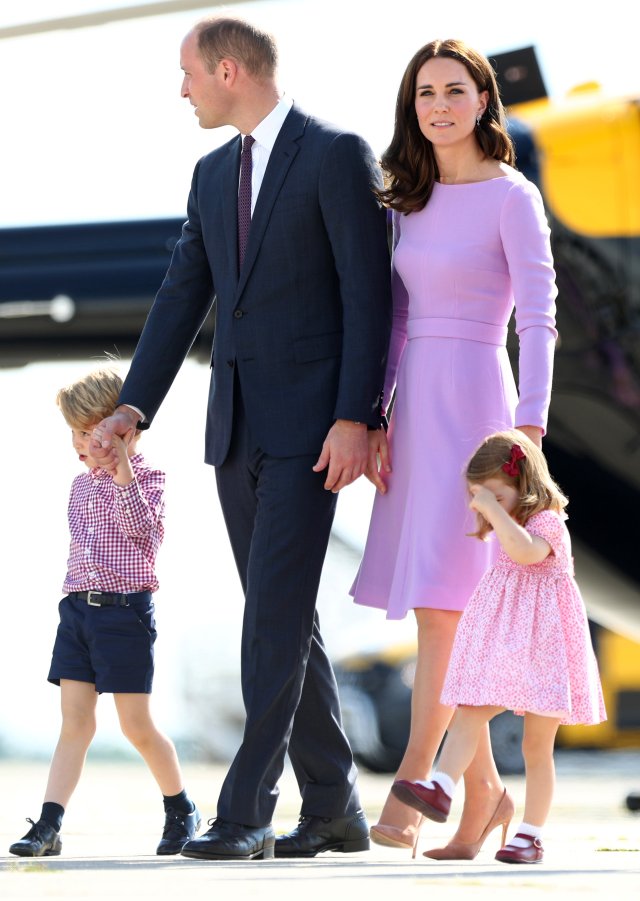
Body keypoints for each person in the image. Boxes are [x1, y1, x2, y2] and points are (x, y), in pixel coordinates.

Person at [89, 17, 391, 861]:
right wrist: (132, 407)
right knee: (286, 617)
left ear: (228, 70)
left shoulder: (336, 153)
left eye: (187, 73)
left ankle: (247, 810)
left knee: (273, 619)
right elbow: (181, 294)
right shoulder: (211, 172)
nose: (180, 89)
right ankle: (334, 807)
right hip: (237, 429)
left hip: (315, 429)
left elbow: (370, 295)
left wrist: (359, 415)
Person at [351, 38, 558, 858]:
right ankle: (486, 803)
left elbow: (538, 320)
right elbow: (395, 320)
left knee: (449, 605)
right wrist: (377, 414)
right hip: (414, 409)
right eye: (424, 93)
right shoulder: (407, 199)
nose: (437, 105)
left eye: (454, 90)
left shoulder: (514, 197)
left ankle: (412, 784)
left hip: (481, 404)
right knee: (443, 602)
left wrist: (530, 429)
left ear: (482, 101)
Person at [9, 368, 200, 859]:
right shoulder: (78, 486)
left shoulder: (149, 479)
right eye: (73, 433)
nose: (78, 443)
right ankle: (48, 824)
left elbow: (145, 537)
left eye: (87, 431)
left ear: (120, 429)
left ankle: (181, 808)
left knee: (136, 725)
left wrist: (123, 475)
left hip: (124, 615)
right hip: (76, 613)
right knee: (74, 722)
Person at [392, 430, 606, 863]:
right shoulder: (511, 524)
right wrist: (492, 507)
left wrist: (493, 510)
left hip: (545, 646)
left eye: (496, 493)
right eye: (478, 495)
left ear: (524, 484)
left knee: (536, 745)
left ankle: (531, 834)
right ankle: (441, 786)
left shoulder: (546, 522)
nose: (486, 504)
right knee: (469, 709)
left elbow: (527, 554)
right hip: (510, 641)